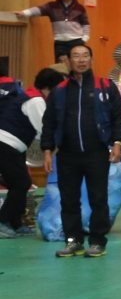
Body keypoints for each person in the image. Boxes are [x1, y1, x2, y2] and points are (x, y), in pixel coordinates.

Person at [41, 43, 121, 258]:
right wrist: (47, 151)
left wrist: (117, 143)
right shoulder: (59, 91)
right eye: (76, 56)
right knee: (69, 200)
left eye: (85, 56)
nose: (81, 60)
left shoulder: (105, 86)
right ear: (68, 61)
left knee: (98, 199)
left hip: (96, 152)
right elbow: (49, 122)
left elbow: (118, 115)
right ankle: (73, 241)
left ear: (92, 60)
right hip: (67, 154)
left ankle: (98, 241)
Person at [0, 68, 58, 237]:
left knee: (18, 184)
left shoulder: (33, 97)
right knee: (21, 183)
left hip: (14, 147)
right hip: (5, 144)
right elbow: (44, 129)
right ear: (49, 88)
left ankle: (15, 222)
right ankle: (2, 220)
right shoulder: (35, 101)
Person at [11, 0, 90, 61]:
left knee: (77, 64)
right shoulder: (52, 6)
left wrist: (84, 39)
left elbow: (85, 24)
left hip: (76, 41)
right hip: (60, 42)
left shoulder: (80, 8)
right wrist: (24, 13)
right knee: (60, 66)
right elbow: (39, 9)